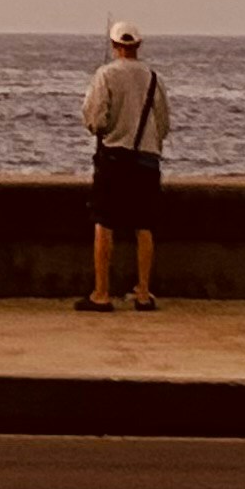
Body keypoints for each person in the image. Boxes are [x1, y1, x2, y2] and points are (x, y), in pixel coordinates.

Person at [77, 21, 170, 312]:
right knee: (145, 225)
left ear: (115, 46)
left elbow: (95, 119)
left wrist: (108, 129)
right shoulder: (154, 78)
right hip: (146, 159)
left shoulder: (105, 75)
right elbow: (163, 123)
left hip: (115, 158)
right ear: (138, 46)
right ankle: (143, 292)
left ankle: (102, 293)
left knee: (104, 223)